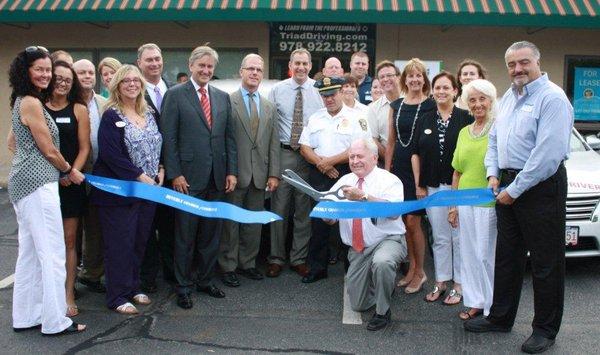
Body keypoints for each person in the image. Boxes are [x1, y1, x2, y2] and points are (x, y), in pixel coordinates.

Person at [464, 41, 573, 355]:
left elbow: (547, 155)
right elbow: (496, 138)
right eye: (511, 64)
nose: (517, 69)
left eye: (523, 62)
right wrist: (493, 174)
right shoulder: (510, 96)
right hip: (508, 182)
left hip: (540, 186)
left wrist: (515, 189)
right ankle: (500, 317)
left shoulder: (552, 98)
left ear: (537, 62)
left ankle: (545, 330)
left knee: (545, 263)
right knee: (507, 257)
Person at [8, 46, 86, 335]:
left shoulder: (23, 100)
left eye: (47, 70)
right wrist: (68, 169)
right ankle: (56, 321)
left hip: (24, 185)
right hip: (38, 185)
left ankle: (26, 316)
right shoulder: (30, 102)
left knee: (29, 254)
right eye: (39, 69)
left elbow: (13, 144)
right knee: (53, 253)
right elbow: (49, 149)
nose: (45, 74)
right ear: (25, 71)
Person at [161, 46, 238, 310]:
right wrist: (175, 173)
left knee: (210, 235)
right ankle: (183, 287)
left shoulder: (221, 97)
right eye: (201, 66)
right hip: (188, 181)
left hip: (217, 177)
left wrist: (231, 171)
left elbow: (229, 138)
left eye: (210, 67)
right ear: (191, 65)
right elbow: (168, 138)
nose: (206, 71)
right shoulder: (175, 95)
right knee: (185, 236)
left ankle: (205, 280)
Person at [92, 65, 163, 314]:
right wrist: (139, 175)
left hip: (148, 190)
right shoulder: (111, 115)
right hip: (119, 192)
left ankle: (133, 287)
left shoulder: (149, 112)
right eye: (126, 81)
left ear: (142, 85)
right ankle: (117, 295)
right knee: (119, 244)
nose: (132, 84)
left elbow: (158, 143)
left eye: (136, 80)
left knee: (139, 240)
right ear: (117, 86)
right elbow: (110, 155)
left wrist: (161, 167)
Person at [327, 138, 407, 331]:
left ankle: (383, 312)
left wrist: (363, 197)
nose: (354, 161)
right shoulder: (344, 181)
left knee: (382, 262)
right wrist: (328, 217)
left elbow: (393, 212)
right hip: (359, 248)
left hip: (387, 240)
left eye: (359, 156)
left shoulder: (389, 180)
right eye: (351, 157)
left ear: (374, 157)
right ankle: (382, 284)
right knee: (359, 305)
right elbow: (329, 212)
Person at [299, 76, 371, 283]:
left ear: (340, 93)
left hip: (346, 172)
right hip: (319, 171)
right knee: (320, 223)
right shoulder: (316, 118)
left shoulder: (356, 117)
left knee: (349, 222)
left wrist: (330, 162)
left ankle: (352, 269)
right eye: (324, 96)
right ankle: (317, 268)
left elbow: (358, 147)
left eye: (332, 94)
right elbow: (305, 147)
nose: (328, 99)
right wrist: (322, 164)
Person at [218, 54, 280, 287]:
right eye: (250, 69)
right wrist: (227, 170)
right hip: (234, 174)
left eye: (258, 70)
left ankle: (248, 264)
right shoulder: (226, 101)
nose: (254, 73)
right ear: (241, 72)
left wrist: (274, 173)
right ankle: (228, 266)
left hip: (260, 176)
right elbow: (223, 140)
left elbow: (273, 142)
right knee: (230, 224)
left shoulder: (269, 106)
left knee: (253, 224)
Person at [412, 71, 472, 305]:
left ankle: (459, 284)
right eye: (437, 88)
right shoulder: (425, 118)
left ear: (455, 91)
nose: (441, 92)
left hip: (459, 188)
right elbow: (415, 153)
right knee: (439, 237)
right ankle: (441, 281)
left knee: (458, 237)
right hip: (432, 188)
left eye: (446, 87)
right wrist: (419, 184)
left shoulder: (465, 118)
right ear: (432, 91)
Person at [267, 48, 323, 278]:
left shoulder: (319, 90)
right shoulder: (277, 90)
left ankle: (298, 258)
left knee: (303, 211)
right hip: (284, 154)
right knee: (279, 209)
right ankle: (276, 258)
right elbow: (270, 127)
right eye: (297, 63)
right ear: (290, 65)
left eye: (305, 63)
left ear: (310, 66)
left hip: (308, 157)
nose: (301, 67)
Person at [385, 58, 435, 294]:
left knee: (415, 221)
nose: (415, 79)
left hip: (422, 169)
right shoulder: (396, 105)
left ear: (425, 79)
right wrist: (386, 173)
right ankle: (412, 268)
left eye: (419, 75)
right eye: (410, 75)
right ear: (404, 80)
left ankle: (421, 272)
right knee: (405, 222)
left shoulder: (432, 105)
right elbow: (392, 141)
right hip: (399, 170)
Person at [45, 60, 91, 317]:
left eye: (67, 80)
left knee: (69, 241)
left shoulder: (78, 108)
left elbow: (85, 147)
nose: (62, 83)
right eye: (58, 78)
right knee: (46, 241)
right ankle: (46, 293)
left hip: (71, 182)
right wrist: (57, 172)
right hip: (44, 182)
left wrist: (72, 172)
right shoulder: (37, 106)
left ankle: (68, 292)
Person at [450, 79, 498, 321]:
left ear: (491, 101)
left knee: (486, 256)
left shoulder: (498, 128)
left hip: (488, 203)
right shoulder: (463, 132)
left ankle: (492, 306)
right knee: (468, 254)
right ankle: (475, 301)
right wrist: (453, 206)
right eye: (472, 100)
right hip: (464, 201)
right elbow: (457, 171)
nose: (478, 104)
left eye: (482, 98)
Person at [137, 43, 175, 293]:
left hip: (173, 172)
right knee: (147, 229)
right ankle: (147, 278)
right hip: (145, 175)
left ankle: (173, 273)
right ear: (139, 63)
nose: (154, 63)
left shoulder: (173, 90)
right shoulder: (135, 91)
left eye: (158, 59)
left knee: (171, 226)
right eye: (149, 60)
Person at [73, 59, 108, 294]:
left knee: (95, 228)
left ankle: (92, 275)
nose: (87, 76)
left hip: (100, 175)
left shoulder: (104, 103)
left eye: (90, 72)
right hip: (73, 173)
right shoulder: (67, 102)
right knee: (72, 231)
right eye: (81, 72)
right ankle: (69, 280)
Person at [367, 61, 401, 158]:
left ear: (398, 77)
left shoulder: (410, 102)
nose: (385, 79)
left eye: (389, 75)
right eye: (382, 77)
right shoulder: (373, 108)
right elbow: (374, 139)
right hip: (384, 161)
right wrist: (389, 159)